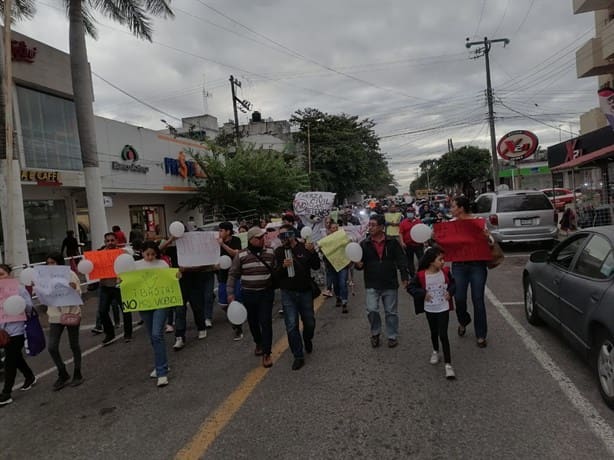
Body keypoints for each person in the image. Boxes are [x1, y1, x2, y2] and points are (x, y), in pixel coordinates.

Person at [355, 214, 409, 348]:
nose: (370, 227)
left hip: (389, 283)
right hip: (372, 283)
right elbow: (359, 264)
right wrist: (358, 265)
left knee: (391, 312)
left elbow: (401, 260)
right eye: (370, 225)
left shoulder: (392, 242)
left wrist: (404, 277)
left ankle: (392, 336)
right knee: (372, 310)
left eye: (373, 225)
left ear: (381, 227)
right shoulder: (364, 244)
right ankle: (375, 333)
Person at [227, 227, 276, 368]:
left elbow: (276, 268)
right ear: (251, 240)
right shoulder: (241, 255)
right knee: (253, 321)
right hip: (249, 293)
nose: (262, 240)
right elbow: (233, 274)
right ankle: (258, 342)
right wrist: (230, 293)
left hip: (266, 293)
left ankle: (267, 353)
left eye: (263, 237)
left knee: (265, 322)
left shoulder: (270, 253)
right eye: (259, 238)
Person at [274, 224, 320, 370]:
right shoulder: (279, 252)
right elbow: (275, 275)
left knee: (309, 322)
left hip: (305, 291)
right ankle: (298, 356)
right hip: (288, 293)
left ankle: (307, 338)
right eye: (280, 236)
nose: (283, 239)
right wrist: (282, 266)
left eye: (285, 235)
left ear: (292, 234)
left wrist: (313, 253)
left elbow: (316, 266)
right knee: (291, 325)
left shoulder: (303, 248)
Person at [449, 196, 493, 348]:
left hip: (477, 265)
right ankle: (463, 320)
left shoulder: (478, 221)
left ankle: (481, 334)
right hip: (459, 266)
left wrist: (488, 238)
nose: (451, 209)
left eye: (453, 206)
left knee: (478, 299)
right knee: (459, 297)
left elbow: (490, 241)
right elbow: (447, 245)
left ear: (461, 208)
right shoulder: (451, 224)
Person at [407, 247, 456, 379]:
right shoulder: (421, 275)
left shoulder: (445, 272)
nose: (443, 262)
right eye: (440, 259)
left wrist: (450, 293)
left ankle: (448, 365)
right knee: (434, 331)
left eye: (443, 259)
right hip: (430, 308)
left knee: (443, 334)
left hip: (443, 307)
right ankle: (435, 350)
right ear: (431, 262)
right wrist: (422, 294)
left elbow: (453, 284)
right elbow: (411, 287)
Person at [133, 241, 171, 387]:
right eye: (147, 254)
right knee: (152, 337)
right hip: (144, 304)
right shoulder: (136, 266)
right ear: (142, 252)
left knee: (157, 334)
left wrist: (176, 276)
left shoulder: (162, 264)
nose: (150, 257)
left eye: (153, 254)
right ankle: (162, 364)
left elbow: (169, 281)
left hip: (161, 303)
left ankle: (161, 372)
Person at [44, 253, 84, 390]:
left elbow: (78, 294)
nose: (50, 265)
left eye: (53, 262)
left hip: (71, 312)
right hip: (55, 315)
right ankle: (62, 373)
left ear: (59, 263)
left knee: (74, 344)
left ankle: (77, 372)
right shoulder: (45, 278)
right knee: (52, 346)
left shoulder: (70, 274)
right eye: (48, 263)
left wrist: (72, 289)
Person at [0, 264, 37, 406]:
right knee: (16, 357)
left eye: (1, 274)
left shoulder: (19, 289)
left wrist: (19, 303)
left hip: (17, 329)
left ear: (9, 275)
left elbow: (30, 308)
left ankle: (6, 392)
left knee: (9, 361)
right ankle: (29, 376)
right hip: (3, 331)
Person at [97, 232, 132, 346]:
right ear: (104, 242)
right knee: (102, 311)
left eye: (112, 240)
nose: (110, 243)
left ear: (117, 241)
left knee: (125, 309)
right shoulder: (99, 254)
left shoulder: (123, 253)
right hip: (105, 286)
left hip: (120, 286)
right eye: (107, 241)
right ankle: (109, 333)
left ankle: (128, 333)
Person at [217, 221, 243, 341]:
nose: (219, 233)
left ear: (228, 231)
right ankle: (235, 314)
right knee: (223, 303)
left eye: (221, 230)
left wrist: (223, 245)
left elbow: (236, 254)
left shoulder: (236, 240)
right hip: (222, 276)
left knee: (234, 300)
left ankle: (238, 327)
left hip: (234, 275)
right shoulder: (216, 242)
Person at [322, 222, 350, 313]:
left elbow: (348, 249)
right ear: (329, 230)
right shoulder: (326, 240)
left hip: (342, 265)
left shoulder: (343, 238)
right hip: (331, 266)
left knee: (343, 283)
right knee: (336, 284)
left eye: (336, 228)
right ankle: (338, 297)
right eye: (333, 228)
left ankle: (344, 302)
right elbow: (323, 254)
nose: (335, 229)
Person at [398, 210, 425, 278]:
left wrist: (424, 241)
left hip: (418, 244)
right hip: (408, 245)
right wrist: (402, 242)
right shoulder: (403, 223)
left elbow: (423, 231)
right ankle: (412, 276)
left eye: (411, 212)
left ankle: (422, 274)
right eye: (408, 212)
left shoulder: (419, 222)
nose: (409, 213)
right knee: (409, 261)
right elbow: (401, 233)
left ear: (414, 213)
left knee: (421, 260)